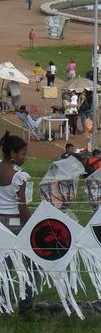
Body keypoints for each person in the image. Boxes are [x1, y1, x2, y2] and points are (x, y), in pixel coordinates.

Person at [0, 131, 34, 315]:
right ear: (13, 154)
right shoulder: (18, 177)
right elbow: (22, 206)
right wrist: (31, 224)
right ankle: (25, 305)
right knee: (32, 264)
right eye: (23, 154)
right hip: (15, 224)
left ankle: (2, 304)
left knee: (3, 267)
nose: (25, 158)